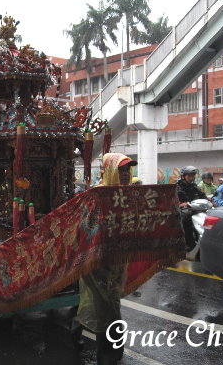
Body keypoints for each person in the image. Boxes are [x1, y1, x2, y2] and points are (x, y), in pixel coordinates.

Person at [77, 153, 137, 365]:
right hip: (96, 261)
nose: (125, 175)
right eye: (120, 170)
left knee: (104, 302)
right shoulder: (96, 196)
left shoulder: (129, 195)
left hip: (118, 262)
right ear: (111, 170)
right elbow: (85, 228)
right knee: (108, 307)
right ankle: (109, 356)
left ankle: (75, 331)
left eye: (127, 170)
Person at [176, 166, 207, 251]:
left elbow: (202, 195)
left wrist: (210, 200)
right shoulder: (178, 187)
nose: (191, 178)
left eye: (192, 176)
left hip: (195, 209)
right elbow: (175, 200)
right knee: (186, 219)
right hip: (182, 210)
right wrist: (182, 204)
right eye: (189, 176)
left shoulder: (194, 186)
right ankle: (187, 243)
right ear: (184, 176)